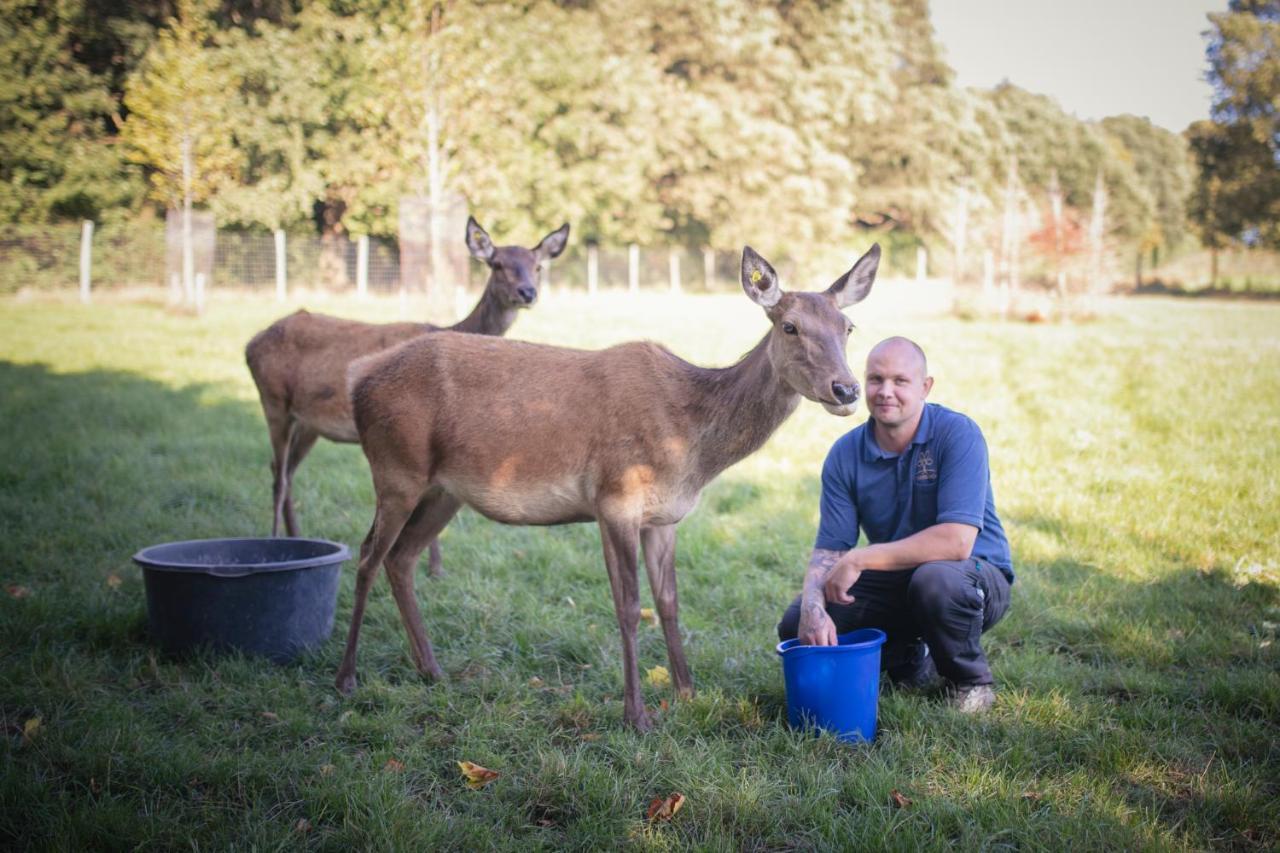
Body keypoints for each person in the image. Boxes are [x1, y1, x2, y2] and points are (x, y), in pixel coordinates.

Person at [777, 336, 1014, 713]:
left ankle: (970, 682)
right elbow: (830, 548)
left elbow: (956, 543)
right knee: (796, 627)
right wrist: (812, 606)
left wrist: (860, 559)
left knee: (936, 581)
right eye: (875, 380)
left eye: (900, 381)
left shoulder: (958, 434)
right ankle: (910, 659)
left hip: (972, 575)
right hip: (895, 576)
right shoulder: (845, 454)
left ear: (925, 387)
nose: (886, 392)